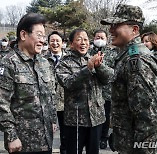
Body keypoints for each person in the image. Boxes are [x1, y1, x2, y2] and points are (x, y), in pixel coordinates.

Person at [101, 4, 157, 154]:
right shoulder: (128, 56)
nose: (111, 30)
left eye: (116, 25)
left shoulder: (136, 60)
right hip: (129, 143)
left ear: (134, 30)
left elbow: (147, 117)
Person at [0, 13, 57, 154]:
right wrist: (12, 136)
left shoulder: (44, 63)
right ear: (24, 35)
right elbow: (2, 103)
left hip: (46, 139)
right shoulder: (8, 63)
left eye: (44, 36)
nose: (43, 41)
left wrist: (53, 119)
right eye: (39, 35)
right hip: (22, 143)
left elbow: (51, 94)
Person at [56, 28, 113, 154]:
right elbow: (67, 83)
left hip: (96, 118)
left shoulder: (94, 58)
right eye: (79, 39)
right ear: (71, 43)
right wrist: (87, 69)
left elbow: (109, 78)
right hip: (76, 119)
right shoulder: (64, 63)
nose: (83, 43)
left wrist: (99, 67)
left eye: (86, 39)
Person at [89, 29, 118, 149]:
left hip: (107, 91)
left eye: (102, 37)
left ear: (106, 39)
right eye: (97, 37)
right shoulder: (88, 52)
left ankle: (103, 137)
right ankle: (92, 138)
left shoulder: (112, 53)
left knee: (105, 116)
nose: (99, 39)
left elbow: (114, 72)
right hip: (91, 90)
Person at [44, 30, 66, 154]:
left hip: (66, 103)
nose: (55, 43)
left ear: (62, 43)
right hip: (49, 103)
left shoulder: (69, 59)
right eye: (52, 41)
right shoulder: (42, 59)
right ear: (48, 43)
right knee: (48, 134)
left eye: (58, 40)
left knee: (66, 135)